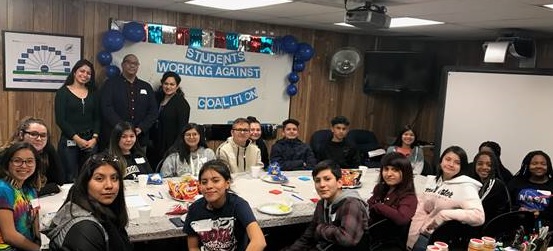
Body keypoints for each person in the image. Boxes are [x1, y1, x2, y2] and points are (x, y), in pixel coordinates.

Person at [45, 152, 132, 251]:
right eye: (99, 178)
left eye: (114, 178)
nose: (109, 185)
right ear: (85, 183)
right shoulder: (85, 229)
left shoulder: (105, 211)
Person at [407, 146, 485, 251]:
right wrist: (411, 238)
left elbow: (478, 216)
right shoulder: (432, 181)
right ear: (441, 160)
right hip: (421, 236)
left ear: (462, 166)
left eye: (457, 162)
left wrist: (444, 215)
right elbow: (422, 209)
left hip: (442, 241)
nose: (451, 164)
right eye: (448, 159)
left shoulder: (466, 186)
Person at [284, 160, 369, 251]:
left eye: (327, 179)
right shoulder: (322, 203)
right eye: (317, 180)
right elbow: (309, 235)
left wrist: (321, 228)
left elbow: (347, 239)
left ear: (339, 183)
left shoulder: (351, 204)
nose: (322, 185)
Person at [183, 159, 266, 251]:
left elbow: (259, 241)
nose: (209, 186)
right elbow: (193, 247)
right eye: (204, 182)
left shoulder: (238, 205)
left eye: (215, 180)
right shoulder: (194, 209)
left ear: (227, 183)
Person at [100, 54, 158, 151]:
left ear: (138, 66)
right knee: (114, 165)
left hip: (140, 139)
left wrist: (141, 128)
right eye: (129, 62)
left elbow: (153, 111)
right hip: (115, 138)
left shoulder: (146, 86)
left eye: (135, 63)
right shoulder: (110, 84)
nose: (132, 65)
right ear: (122, 65)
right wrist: (122, 128)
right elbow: (106, 108)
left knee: (139, 165)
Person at [55, 59, 100, 182]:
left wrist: (94, 139)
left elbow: (97, 118)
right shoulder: (63, 92)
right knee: (70, 177)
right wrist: (77, 139)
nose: (85, 75)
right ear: (74, 72)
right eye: (82, 71)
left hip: (90, 142)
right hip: (70, 142)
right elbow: (60, 120)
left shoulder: (94, 93)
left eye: (88, 73)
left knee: (89, 176)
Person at [0, 117, 63, 196]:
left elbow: (59, 181)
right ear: (21, 134)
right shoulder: (5, 154)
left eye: (43, 135)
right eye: (33, 134)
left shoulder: (47, 151)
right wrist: (42, 190)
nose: (39, 139)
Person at [0, 142, 42, 251]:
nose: (24, 166)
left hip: (27, 245)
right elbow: (9, 236)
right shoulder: (3, 189)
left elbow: (36, 224)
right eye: (17, 161)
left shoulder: (31, 190)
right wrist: (38, 249)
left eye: (29, 161)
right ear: (7, 163)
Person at [149, 71, 191, 169]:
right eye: (166, 84)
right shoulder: (158, 98)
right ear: (162, 84)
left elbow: (182, 129)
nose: (168, 87)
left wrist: (173, 149)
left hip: (170, 147)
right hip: (155, 145)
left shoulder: (182, 104)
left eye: (172, 84)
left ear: (177, 86)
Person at [367, 152, 417, 226]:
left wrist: (379, 206)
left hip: (388, 236)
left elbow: (402, 219)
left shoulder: (409, 197)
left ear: (405, 173)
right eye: (386, 169)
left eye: (395, 170)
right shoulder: (380, 188)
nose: (389, 174)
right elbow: (368, 206)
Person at [508, 150, 553, 225]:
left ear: (548, 166)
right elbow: (505, 205)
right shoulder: (516, 182)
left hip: (547, 229)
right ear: (528, 165)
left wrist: (540, 214)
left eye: (543, 164)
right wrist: (518, 210)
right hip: (518, 227)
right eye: (534, 163)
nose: (539, 166)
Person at [468, 151, 510, 223]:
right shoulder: (472, 182)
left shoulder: (496, 184)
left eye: (489, 165)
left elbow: (478, 205)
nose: (484, 167)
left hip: (491, 228)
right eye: (480, 164)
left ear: (494, 167)